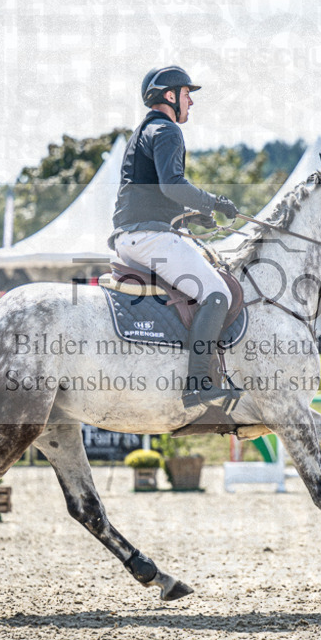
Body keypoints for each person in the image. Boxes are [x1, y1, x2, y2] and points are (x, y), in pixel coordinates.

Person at [109, 65, 241, 410]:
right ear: (170, 96)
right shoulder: (167, 130)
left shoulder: (144, 130)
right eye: (186, 94)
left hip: (132, 237)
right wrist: (213, 202)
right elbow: (172, 185)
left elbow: (154, 193)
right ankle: (198, 384)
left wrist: (192, 214)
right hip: (148, 238)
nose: (190, 102)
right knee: (218, 294)